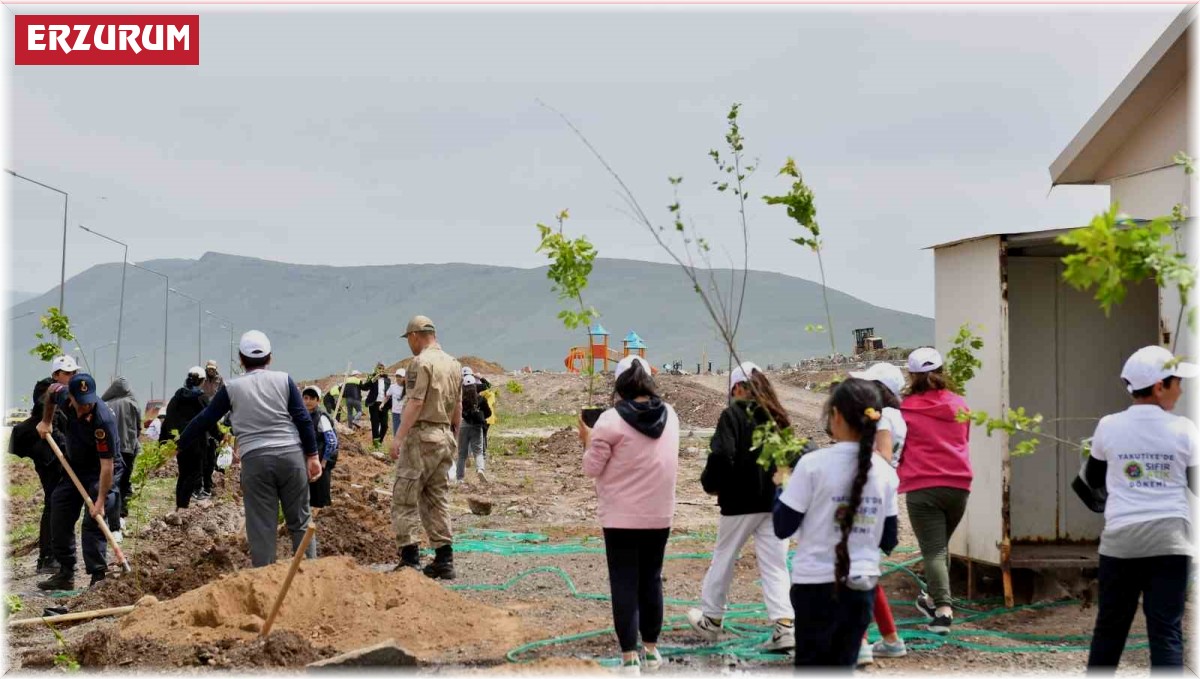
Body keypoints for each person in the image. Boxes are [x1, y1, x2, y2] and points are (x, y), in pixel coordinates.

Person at [1082, 346, 1197, 671]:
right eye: (1177, 382)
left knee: (1110, 629)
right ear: (1160, 386)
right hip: (1170, 543)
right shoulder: (1185, 429)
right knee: (1166, 631)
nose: (1181, 389)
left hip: (1122, 543)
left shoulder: (1108, 426)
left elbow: (1093, 479)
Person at [773, 378, 900, 668]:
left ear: (837, 416)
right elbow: (889, 540)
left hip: (814, 587)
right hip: (862, 588)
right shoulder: (885, 472)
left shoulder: (812, 465)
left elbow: (783, 527)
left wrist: (781, 485)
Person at [178, 330, 323, 567]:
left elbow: (205, 419)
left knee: (262, 527)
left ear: (241, 360)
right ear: (270, 358)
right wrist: (313, 456)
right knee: (300, 521)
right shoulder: (284, 380)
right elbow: (303, 420)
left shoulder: (232, 387)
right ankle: (311, 576)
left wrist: (178, 445)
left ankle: (265, 581)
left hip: (256, 462)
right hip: (291, 458)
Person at [580, 355, 680, 675]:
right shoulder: (671, 415)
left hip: (620, 517)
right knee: (651, 579)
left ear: (619, 386)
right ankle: (650, 651)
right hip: (659, 514)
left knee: (624, 582)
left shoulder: (609, 421)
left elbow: (591, 468)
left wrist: (587, 439)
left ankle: (629, 658)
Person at [687, 362, 795, 653]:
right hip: (775, 502)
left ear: (736, 387)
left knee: (724, 557)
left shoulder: (733, 415)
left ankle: (711, 619)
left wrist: (711, 483)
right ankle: (785, 626)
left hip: (739, 503)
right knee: (775, 564)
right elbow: (790, 459)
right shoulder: (777, 416)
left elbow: (722, 454)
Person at [899, 347, 971, 635]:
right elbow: (965, 438)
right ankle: (931, 598)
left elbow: (899, 446)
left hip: (923, 487)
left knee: (934, 550)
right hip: (959, 486)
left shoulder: (906, 409)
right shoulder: (960, 404)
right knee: (940, 547)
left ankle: (942, 611)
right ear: (942, 371)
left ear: (912, 376)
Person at [36, 373, 126, 590]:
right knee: (60, 508)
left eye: (89, 401)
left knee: (94, 520)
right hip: (75, 465)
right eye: (82, 402)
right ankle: (66, 573)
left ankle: (98, 576)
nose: (86, 406)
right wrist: (46, 421)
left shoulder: (103, 420)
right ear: (72, 397)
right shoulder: (63, 395)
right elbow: (50, 392)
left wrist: (100, 502)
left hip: (101, 470)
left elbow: (107, 466)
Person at [390, 316, 462, 579]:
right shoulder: (454, 364)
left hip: (422, 436)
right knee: (436, 498)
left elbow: (416, 401)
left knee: (405, 496)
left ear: (414, 336)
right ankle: (444, 559)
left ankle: (410, 558)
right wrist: (454, 435)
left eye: (408, 339)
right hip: (444, 436)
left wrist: (398, 437)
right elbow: (458, 405)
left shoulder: (420, 363)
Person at [847, 362, 909, 665]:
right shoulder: (898, 417)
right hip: (883, 493)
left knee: (853, 567)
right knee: (865, 569)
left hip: (867, 491)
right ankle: (890, 639)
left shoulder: (883, 418)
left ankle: (859, 642)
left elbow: (882, 455)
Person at [8, 355, 75, 575]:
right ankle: (48, 557)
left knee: (59, 504)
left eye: (74, 372)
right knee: (54, 503)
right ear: (56, 374)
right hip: (48, 456)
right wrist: (65, 449)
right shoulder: (48, 390)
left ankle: (54, 554)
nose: (72, 376)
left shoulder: (68, 392)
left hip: (58, 453)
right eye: (67, 373)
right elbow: (48, 418)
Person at [161, 367, 221, 511]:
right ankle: (184, 504)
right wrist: (219, 435)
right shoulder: (201, 398)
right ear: (201, 381)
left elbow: (168, 420)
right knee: (195, 472)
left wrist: (163, 441)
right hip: (197, 443)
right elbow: (209, 420)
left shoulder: (176, 398)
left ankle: (180, 504)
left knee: (183, 473)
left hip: (179, 443)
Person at [101, 377, 142, 529]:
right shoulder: (132, 403)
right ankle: (121, 514)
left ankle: (108, 513)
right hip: (128, 448)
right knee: (125, 481)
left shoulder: (106, 405)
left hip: (110, 449)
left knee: (110, 482)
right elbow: (138, 426)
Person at [302, 386, 340, 509]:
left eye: (312, 398)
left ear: (318, 400)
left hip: (320, 461)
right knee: (308, 495)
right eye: (306, 398)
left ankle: (321, 516)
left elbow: (332, 442)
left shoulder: (321, 417)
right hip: (307, 460)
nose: (308, 401)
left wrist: (324, 462)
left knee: (320, 495)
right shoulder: (302, 415)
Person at [456, 375, 492, 484]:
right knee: (478, 452)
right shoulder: (481, 399)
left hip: (463, 426)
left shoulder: (460, 398)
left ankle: (460, 478)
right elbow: (489, 413)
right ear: (475, 385)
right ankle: (480, 469)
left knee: (462, 454)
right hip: (477, 427)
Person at [365, 363, 391, 446]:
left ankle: (380, 441)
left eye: (383, 369)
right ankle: (376, 444)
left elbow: (389, 393)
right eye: (379, 368)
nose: (381, 370)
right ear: (376, 369)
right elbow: (365, 387)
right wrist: (373, 379)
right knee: (375, 424)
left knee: (384, 425)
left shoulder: (387, 380)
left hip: (384, 404)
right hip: (374, 404)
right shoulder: (372, 378)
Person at [385, 368, 407, 436]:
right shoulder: (392, 387)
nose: (398, 378)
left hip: (405, 413)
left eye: (400, 376)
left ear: (404, 378)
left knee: (405, 433)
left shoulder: (408, 388)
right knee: (396, 432)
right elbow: (387, 396)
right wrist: (382, 404)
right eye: (397, 376)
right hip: (396, 413)